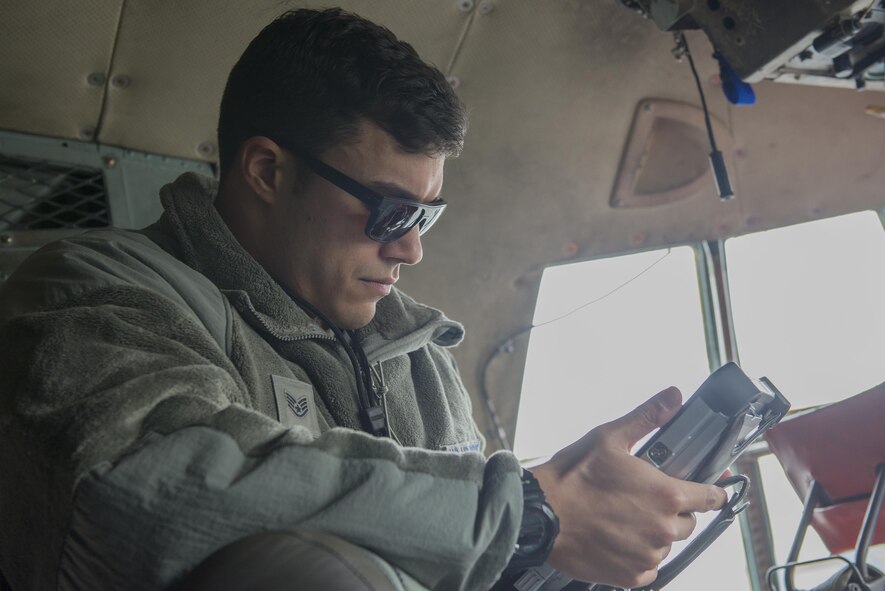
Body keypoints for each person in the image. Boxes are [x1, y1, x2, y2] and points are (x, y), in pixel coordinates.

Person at [0, 8, 726, 591]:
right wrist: (526, 510)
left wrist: (577, 531)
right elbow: (150, 488)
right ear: (266, 171)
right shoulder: (94, 289)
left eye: (426, 215)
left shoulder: (416, 359)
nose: (410, 249)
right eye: (389, 211)